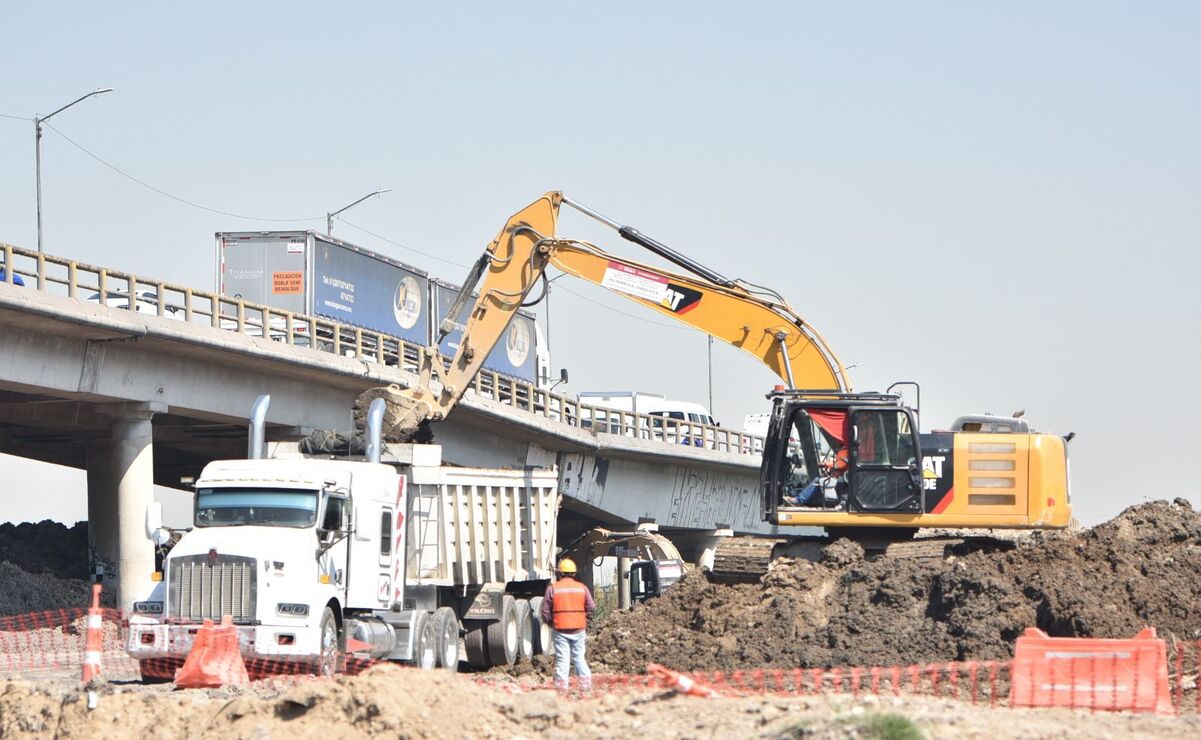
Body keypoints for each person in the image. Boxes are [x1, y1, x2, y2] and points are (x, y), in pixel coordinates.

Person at [540, 557, 595, 691]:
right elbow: (592, 608)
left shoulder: (553, 589)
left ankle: (561, 688)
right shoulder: (582, 588)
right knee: (579, 658)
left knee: (563, 659)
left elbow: (545, 611)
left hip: (560, 629)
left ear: (559, 573)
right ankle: (586, 686)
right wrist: (583, 617)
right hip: (578, 629)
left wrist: (551, 623)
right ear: (574, 573)